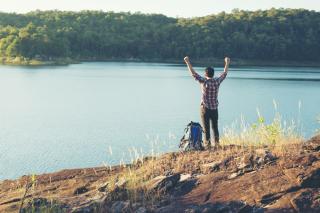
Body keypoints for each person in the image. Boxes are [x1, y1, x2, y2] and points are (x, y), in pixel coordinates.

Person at [184, 56, 230, 148]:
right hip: (214, 108)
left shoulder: (204, 81)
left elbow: (193, 73)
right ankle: (217, 145)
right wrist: (227, 63)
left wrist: (187, 62)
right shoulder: (217, 81)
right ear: (213, 74)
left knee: (206, 128)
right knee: (215, 128)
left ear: (205, 74)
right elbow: (224, 73)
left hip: (205, 108)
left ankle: (207, 146)